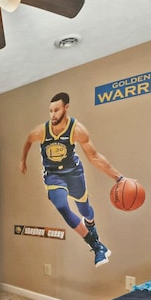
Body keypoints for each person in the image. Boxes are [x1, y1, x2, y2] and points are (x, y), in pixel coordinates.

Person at [19, 92, 124, 267]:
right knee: (61, 205)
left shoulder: (78, 130)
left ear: (66, 107)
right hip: (53, 175)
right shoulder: (40, 131)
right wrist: (23, 160)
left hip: (74, 173)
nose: (53, 114)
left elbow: (94, 157)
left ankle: (90, 224)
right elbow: (28, 141)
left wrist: (118, 177)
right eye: (50, 111)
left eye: (56, 110)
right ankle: (96, 245)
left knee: (85, 210)